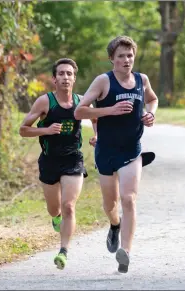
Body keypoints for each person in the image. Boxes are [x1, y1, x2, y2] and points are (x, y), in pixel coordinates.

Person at [74, 36, 158, 273]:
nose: (126, 60)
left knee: (129, 198)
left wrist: (150, 114)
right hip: (106, 151)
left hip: (132, 150)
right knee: (110, 204)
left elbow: (152, 99)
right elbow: (79, 112)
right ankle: (114, 224)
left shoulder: (142, 80)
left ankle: (126, 252)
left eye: (130, 55)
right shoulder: (103, 81)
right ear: (112, 59)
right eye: (120, 56)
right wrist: (110, 110)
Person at [19, 58, 96, 270]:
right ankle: (57, 217)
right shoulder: (45, 102)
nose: (65, 77)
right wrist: (46, 130)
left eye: (69, 74)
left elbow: (96, 119)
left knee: (69, 205)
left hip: (73, 159)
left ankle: (63, 251)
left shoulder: (82, 101)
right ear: (54, 79)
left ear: (74, 78)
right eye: (61, 74)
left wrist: (97, 136)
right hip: (49, 161)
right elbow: (23, 129)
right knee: (54, 209)